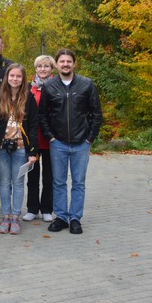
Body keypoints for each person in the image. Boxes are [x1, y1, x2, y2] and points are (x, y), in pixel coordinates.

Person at [39, 49, 103, 235]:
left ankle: (75, 218)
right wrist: (50, 136)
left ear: (74, 64)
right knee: (58, 182)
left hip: (81, 143)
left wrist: (90, 137)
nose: (65, 64)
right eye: (62, 61)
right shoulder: (49, 86)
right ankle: (60, 217)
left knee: (78, 183)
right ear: (56, 65)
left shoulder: (86, 85)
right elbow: (42, 114)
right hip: (57, 142)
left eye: (69, 61)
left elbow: (96, 114)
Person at [0, 64, 38, 236]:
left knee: (17, 183)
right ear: (7, 77)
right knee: (4, 182)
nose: (15, 79)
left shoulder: (28, 97)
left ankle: (16, 216)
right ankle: (6, 216)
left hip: (21, 148)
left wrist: (33, 151)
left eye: (18, 76)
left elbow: (33, 125)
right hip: (2, 147)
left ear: (23, 79)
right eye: (12, 76)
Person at [25, 54, 56, 222]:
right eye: (39, 66)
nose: (42, 69)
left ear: (52, 69)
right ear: (35, 69)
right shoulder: (29, 88)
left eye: (46, 66)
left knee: (49, 176)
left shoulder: (57, 87)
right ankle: (32, 208)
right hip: (33, 139)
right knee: (33, 175)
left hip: (51, 139)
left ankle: (46, 209)